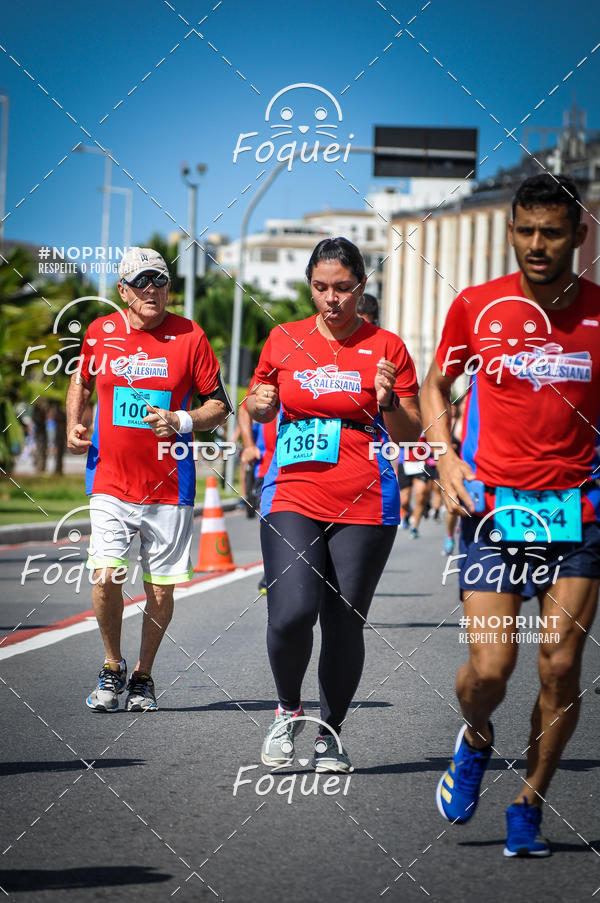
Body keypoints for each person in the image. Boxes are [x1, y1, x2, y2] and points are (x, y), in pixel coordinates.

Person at [421, 174, 600, 857]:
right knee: (491, 670)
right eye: (524, 230)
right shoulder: (477, 307)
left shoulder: (598, 315)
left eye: (551, 232)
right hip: (495, 513)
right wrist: (443, 457)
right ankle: (475, 737)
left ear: (580, 234)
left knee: (559, 665)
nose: (535, 244)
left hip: (577, 513)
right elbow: (439, 383)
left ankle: (529, 800)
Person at [246, 237, 421, 772]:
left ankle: (330, 733)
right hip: (293, 490)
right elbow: (254, 402)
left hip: (365, 496)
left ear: (361, 287)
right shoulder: (283, 339)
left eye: (343, 288)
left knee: (344, 621)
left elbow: (415, 430)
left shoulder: (388, 346)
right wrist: (259, 404)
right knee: (292, 613)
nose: (331, 299)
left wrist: (389, 402)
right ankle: (287, 710)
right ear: (310, 287)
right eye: (321, 287)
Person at [66, 247, 230, 713]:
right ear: (123, 292)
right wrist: (74, 422)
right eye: (142, 282)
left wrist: (181, 420)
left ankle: (142, 675)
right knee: (106, 573)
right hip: (110, 480)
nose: (153, 289)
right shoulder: (101, 333)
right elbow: (80, 379)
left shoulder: (190, 335)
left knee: (160, 588)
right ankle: (111, 665)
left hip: (169, 484)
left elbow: (219, 406)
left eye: (160, 280)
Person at [443, 398, 465, 555]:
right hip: (451, 468)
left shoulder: (476, 421)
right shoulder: (447, 424)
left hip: (472, 470)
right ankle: (449, 536)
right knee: (452, 505)